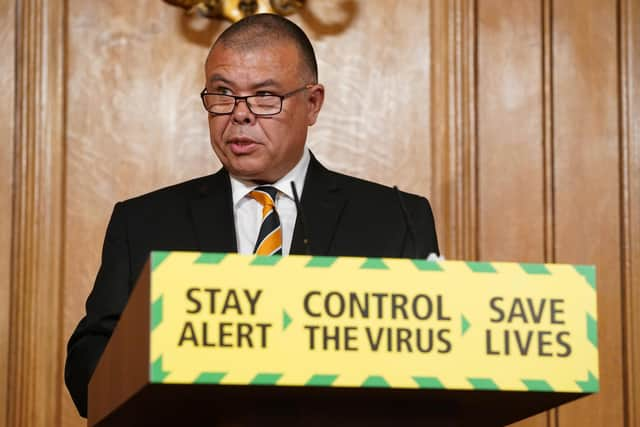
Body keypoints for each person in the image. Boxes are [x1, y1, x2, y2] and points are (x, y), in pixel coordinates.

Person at [65, 13, 439, 418]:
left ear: (312, 103)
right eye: (222, 94)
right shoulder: (142, 223)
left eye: (264, 96)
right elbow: (88, 371)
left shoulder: (396, 219)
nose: (240, 114)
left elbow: (432, 371)